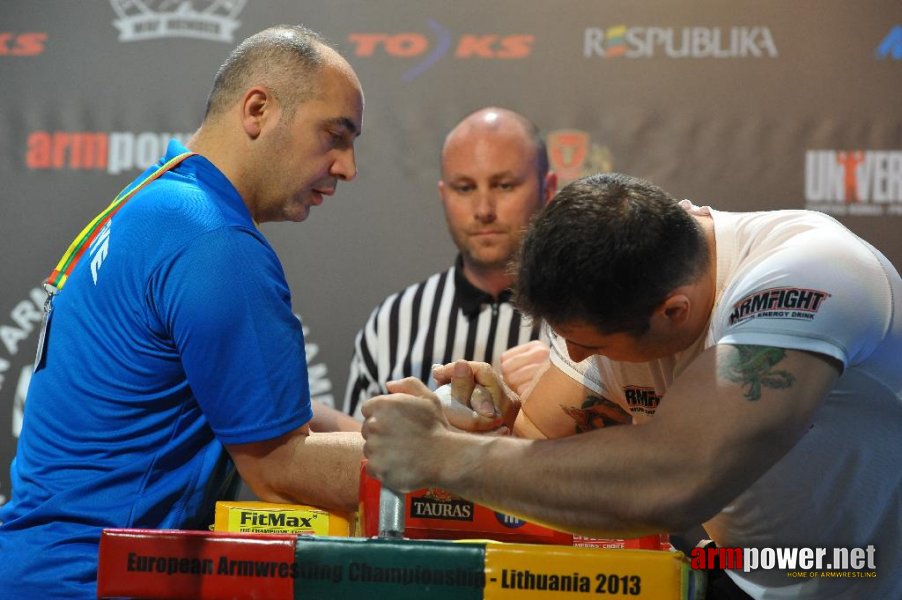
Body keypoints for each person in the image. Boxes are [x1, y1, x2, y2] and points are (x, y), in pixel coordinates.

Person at [361, 172, 902, 599]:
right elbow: (535, 462)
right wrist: (483, 428)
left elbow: (678, 476)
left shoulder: (812, 274)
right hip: (745, 570)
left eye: (592, 345)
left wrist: (447, 455)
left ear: (674, 311)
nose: (571, 358)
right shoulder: (636, 275)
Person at [0, 25, 366, 597]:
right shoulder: (215, 242)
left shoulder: (154, 202)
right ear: (258, 109)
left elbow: (239, 400)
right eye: (335, 135)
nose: (347, 166)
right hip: (92, 580)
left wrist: (367, 430)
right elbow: (279, 465)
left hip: (36, 568)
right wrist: (456, 464)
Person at [344, 107, 557, 418]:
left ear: (547, 189)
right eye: (465, 188)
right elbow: (362, 454)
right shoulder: (392, 322)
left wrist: (568, 388)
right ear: (444, 195)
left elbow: (635, 451)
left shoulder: (594, 318)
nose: (484, 209)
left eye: (504, 185)